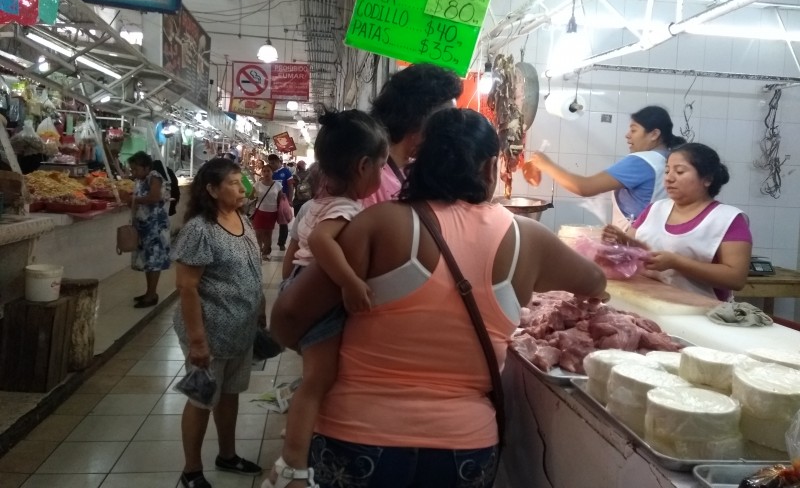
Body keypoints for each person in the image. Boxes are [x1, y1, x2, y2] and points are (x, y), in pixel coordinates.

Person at [267, 108, 606, 488]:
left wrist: (320, 349)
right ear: (490, 168)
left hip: (359, 434)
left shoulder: (379, 224)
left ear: (417, 162)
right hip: (465, 447)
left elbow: (288, 317)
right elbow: (595, 282)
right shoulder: (528, 237)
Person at [263, 109, 389, 488]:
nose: (383, 177)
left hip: (301, 287)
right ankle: (292, 467)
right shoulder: (346, 210)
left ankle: (296, 426)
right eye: (381, 168)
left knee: (315, 376)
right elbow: (319, 242)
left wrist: (289, 285)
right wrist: (350, 282)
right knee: (318, 381)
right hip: (320, 299)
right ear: (363, 166)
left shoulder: (312, 206)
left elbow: (295, 248)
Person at [173, 157, 266, 488]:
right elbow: (186, 287)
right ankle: (192, 471)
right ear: (211, 190)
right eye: (232, 183)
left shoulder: (242, 219)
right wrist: (197, 341)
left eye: (242, 181)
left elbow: (252, 270)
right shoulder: (200, 229)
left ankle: (227, 455)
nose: (241, 188)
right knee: (201, 400)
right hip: (209, 335)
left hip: (239, 332)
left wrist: (261, 309)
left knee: (229, 395)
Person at [602, 142, 752, 300]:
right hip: (646, 302)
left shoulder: (728, 219)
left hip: (701, 312)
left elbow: (736, 278)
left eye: (679, 172)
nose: (669, 178)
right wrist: (621, 241)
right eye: (667, 171)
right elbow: (634, 253)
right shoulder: (655, 209)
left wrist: (676, 263)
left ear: (707, 179)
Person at [530, 105, 686, 229]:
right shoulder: (669, 158)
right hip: (654, 238)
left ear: (654, 134)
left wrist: (545, 164)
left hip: (633, 242)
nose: (627, 135)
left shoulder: (641, 161)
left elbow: (584, 187)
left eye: (633, 130)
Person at [362, 63, 463, 207]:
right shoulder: (370, 181)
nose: (451, 130)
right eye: (445, 119)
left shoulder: (413, 172)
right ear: (416, 116)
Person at [128, 151, 171, 308]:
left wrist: (134, 200)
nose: (133, 173)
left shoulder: (154, 177)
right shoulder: (142, 179)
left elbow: (154, 197)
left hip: (155, 227)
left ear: (146, 168)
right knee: (148, 260)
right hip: (146, 226)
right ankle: (149, 292)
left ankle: (152, 294)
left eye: (135, 169)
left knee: (153, 261)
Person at [251, 162, 283, 260]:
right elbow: (251, 196)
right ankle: (258, 251)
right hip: (260, 211)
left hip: (272, 212)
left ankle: (265, 253)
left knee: (268, 234)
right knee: (258, 233)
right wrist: (252, 194)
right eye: (264, 171)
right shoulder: (257, 185)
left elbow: (280, 199)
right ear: (262, 173)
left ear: (272, 172)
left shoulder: (277, 185)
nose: (266, 173)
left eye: (268, 171)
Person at [268, 154, 294, 250]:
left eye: (273, 163)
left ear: (278, 162)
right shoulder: (269, 172)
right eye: (270, 163)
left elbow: (291, 187)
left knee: (283, 223)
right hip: (270, 201)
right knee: (269, 222)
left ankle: (281, 243)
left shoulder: (286, 172)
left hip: (283, 201)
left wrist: (290, 200)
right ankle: (267, 244)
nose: (271, 165)